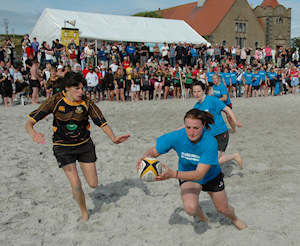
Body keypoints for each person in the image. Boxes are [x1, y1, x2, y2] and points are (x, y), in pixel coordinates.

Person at [25, 71, 130, 222]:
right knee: (75, 183)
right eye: (77, 89)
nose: (81, 92)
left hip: (84, 145)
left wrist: (113, 138)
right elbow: (29, 122)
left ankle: (79, 195)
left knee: (93, 184)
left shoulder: (86, 102)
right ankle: (84, 212)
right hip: (62, 147)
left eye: (82, 88)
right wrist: (32, 133)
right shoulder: (55, 101)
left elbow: (101, 122)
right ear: (67, 88)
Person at [137, 108, 247, 230]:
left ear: (204, 125)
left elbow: (200, 174)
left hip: (211, 176)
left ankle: (235, 219)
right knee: (191, 208)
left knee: (223, 209)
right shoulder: (177, 136)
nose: (191, 132)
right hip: (187, 175)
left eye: (196, 128)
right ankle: (201, 216)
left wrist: (173, 174)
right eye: (188, 127)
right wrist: (145, 157)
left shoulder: (210, 142)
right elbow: (153, 151)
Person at [192, 81, 243, 168]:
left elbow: (227, 109)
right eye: (194, 92)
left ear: (204, 91)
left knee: (214, 161)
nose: (196, 94)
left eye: (199, 91)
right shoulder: (196, 107)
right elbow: (193, 122)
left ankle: (234, 156)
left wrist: (235, 121)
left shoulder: (212, 100)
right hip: (208, 137)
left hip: (220, 133)